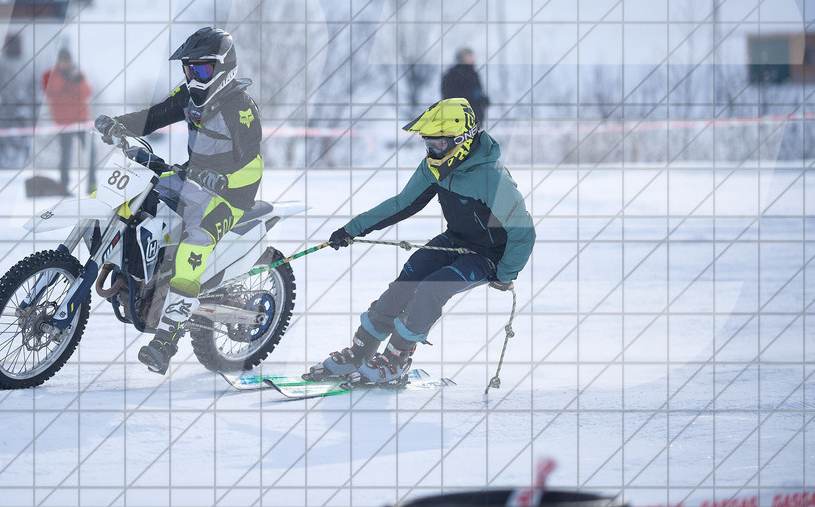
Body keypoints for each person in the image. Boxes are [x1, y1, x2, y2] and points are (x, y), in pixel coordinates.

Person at [307, 98, 535, 386]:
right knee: (410, 275)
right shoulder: (434, 167)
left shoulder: (492, 179)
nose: (433, 150)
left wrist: (505, 275)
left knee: (431, 288)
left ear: (463, 139)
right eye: (429, 143)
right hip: (454, 240)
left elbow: (523, 232)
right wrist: (353, 228)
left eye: (440, 144)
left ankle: (396, 359)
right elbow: (403, 204)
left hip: (489, 254)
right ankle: (360, 352)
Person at [94, 27, 263, 375]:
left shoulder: (241, 108)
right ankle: (141, 278)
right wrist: (117, 124)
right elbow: (152, 117)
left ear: (223, 68)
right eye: (189, 69)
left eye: (201, 70)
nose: (193, 77)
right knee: (135, 202)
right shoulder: (189, 95)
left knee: (192, 247)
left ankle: (167, 340)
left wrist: (224, 179)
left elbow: (255, 166)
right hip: (190, 178)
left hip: (228, 195)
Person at [41, 48, 93, 192]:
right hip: (63, 123)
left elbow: (88, 93)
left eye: (68, 61)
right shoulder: (50, 75)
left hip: (82, 120)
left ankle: (92, 184)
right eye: (64, 61)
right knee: (65, 155)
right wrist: (64, 77)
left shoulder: (77, 73)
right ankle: (64, 185)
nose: (67, 64)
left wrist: (79, 80)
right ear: (59, 62)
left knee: (90, 153)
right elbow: (50, 92)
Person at [441, 47, 489, 128]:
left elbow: (477, 92)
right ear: (461, 58)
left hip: (476, 120)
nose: (472, 58)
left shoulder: (474, 74)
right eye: (469, 56)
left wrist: (483, 100)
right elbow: (449, 97)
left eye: (472, 56)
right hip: (459, 120)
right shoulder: (452, 75)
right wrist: (473, 99)